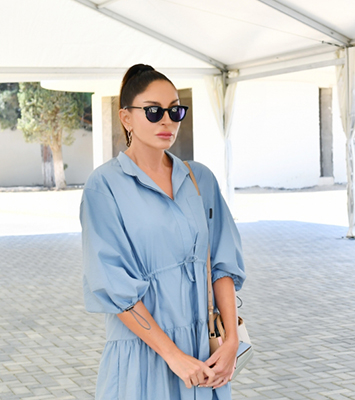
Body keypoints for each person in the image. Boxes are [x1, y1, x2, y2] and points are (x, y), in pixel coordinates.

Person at [81, 64, 246, 400]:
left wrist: (231, 342)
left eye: (175, 110)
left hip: (204, 353)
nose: (167, 121)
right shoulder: (104, 186)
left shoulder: (200, 179)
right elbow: (114, 287)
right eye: (154, 111)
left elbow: (222, 264)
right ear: (126, 117)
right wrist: (173, 356)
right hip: (143, 354)